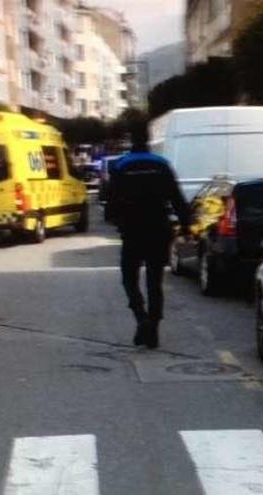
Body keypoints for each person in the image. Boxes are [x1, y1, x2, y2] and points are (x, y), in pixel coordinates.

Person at [106, 117, 190, 349]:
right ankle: (153, 326)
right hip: (158, 230)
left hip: (132, 232)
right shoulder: (161, 164)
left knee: (129, 278)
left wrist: (117, 219)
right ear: (149, 140)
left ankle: (141, 317)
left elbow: (111, 204)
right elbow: (177, 198)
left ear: (131, 141)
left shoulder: (121, 166)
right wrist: (186, 225)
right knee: (155, 281)